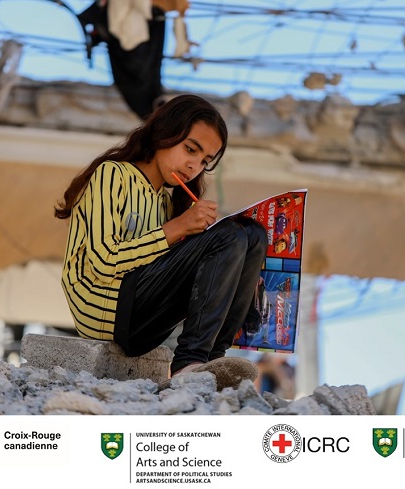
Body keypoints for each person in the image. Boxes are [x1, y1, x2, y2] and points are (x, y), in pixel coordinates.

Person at [54, 94, 267, 389]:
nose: (194, 165)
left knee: (251, 233)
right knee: (229, 236)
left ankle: (212, 360)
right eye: (190, 149)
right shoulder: (112, 175)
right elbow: (103, 263)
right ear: (163, 133)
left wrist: (238, 272)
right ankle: (188, 363)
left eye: (204, 161)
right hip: (104, 308)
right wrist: (176, 229)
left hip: (142, 318)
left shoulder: (167, 203)